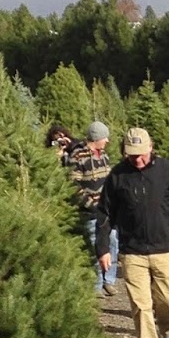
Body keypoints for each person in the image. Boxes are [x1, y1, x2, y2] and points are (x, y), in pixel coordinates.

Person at [95, 126, 169, 338]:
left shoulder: (166, 170)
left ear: (150, 147)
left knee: (167, 300)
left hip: (164, 249)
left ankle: (168, 329)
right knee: (140, 304)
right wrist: (103, 248)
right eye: (131, 155)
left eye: (140, 154)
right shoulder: (118, 176)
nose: (137, 159)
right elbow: (105, 214)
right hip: (132, 252)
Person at [66, 120, 117, 295]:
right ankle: (96, 283)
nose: (107, 141)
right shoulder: (78, 156)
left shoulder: (104, 156)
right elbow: (73, 185)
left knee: (112, 240)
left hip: (107, 211)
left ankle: (109, 280)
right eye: (105, 137)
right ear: (96, 138)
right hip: (90, 212)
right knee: (94, 243)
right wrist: (90, 204)